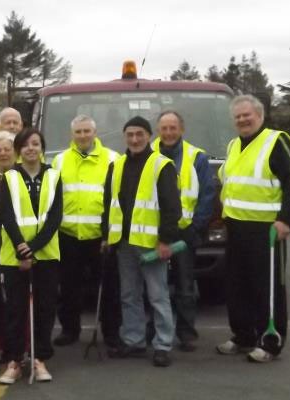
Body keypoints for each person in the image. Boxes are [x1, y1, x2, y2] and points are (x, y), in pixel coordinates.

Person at [216, 95, 290, 363]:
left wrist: (286, 219)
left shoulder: (276, 141)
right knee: (237, 286)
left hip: (266, 230)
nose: (242, 120)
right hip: (236, 227)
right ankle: (243, 336)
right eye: (238, 116)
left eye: (247, 115)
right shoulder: (232, 145)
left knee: (268, 287)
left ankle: (270, 341)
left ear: (260, 116)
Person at [102, 116, 181, 367]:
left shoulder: (162, 165)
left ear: (149, 136)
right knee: (129, 294)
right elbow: (109, 204)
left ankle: (162, 344)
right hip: (124, 243)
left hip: (151, 244)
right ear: (124, 137)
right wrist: (106, 235)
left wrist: (166, 240)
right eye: (130, 135)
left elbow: (172, 207)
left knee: (158, 295)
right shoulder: (117, 165)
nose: (134, 139)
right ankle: (134, 340)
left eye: (140, 134)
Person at [0, 129, 62, 384]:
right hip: (14, 255)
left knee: (45, 309)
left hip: (46, 255)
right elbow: (7, 216)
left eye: (35, 144)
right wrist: (21, 249)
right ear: (19, 150)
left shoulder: (54, 176)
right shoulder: (9, 177)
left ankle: (40, 359)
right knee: (15, 309)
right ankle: (14, 360)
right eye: (25, 145)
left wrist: (33, 248)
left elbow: (55, 218)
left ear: (42, 147)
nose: (30, 149)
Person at [51, 115, 121, 347]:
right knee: (69, 288)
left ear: (95, 132)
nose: (82, 136)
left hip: (100, 237)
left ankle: (111, 333)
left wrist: (109, 234)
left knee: (109, 289)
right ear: (73, 134)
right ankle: (70, 330)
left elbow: (118, 199)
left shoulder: (113, 159)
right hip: (69, 235)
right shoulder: (60, 161)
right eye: (78, 132)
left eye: (86, 131)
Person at [151, 111, 215, 352]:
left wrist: (196, 226)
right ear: (158, 130)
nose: (168, 133)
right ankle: (153, 329)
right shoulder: (148, 153)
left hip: (185, 232)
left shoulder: (196, 157)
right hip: (153, 232)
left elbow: (207, 195)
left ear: (181, 129)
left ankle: (186, 333)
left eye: (172, 128)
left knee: (185, 286)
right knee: (154, 286)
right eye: (164, 128)